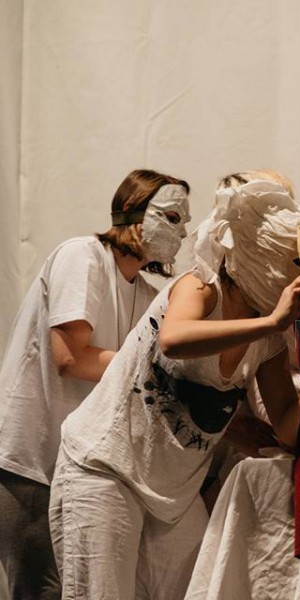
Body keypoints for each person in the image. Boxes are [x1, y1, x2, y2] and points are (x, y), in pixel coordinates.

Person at [48, 171, 300, 599]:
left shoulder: (267, 337)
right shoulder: (199, 285)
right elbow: (174, 339)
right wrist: (272, 321)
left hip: (174, 493)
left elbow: (286, 423)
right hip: (106, 467)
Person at [0, 169, 190, 600]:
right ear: (132, 211)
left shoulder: (147, 295)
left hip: (80, 467)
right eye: (172, 217)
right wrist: (150, 369)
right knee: (41, 590)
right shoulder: (82, 257)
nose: (182, 232)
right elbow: (71, 357)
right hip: (32, 459)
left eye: (186, 222)